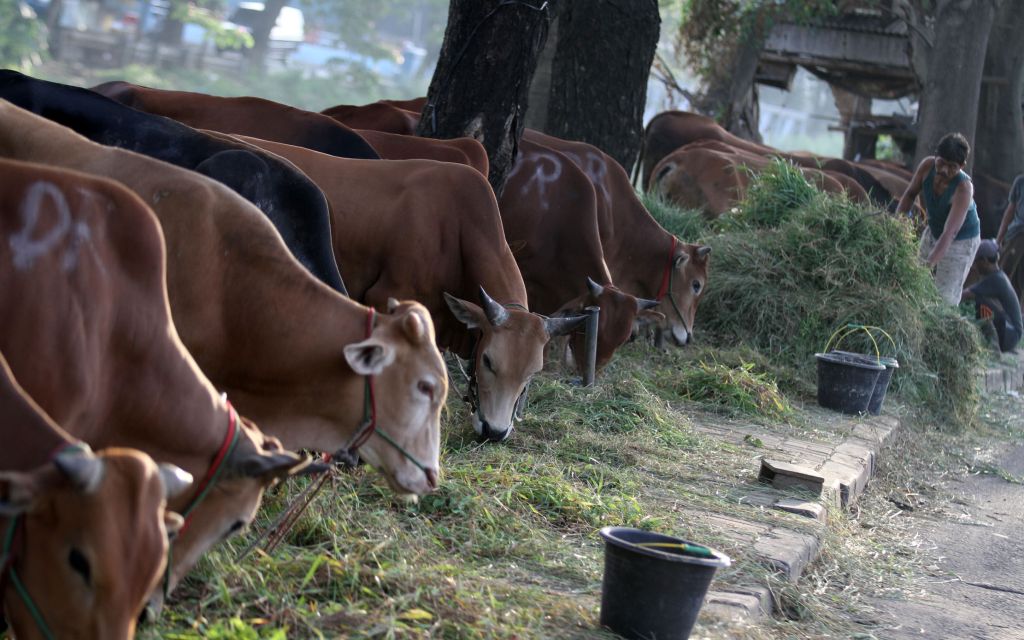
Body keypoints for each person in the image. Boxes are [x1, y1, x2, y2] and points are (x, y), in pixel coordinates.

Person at [896, 132, 982, 305]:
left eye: (951, 167)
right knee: (912, 283)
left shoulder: (963, 188)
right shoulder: (927, 166)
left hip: (960, 241)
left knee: (944, 298)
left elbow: (950, 233)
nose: (944, 170)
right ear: (935, 155)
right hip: (935, 229)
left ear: (962, 166)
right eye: (941, 162)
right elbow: (910, 195)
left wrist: (928, 266)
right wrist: (895, 227)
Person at [962, 239, 1022, 352]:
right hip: (1011, 334)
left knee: (979, 301)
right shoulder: (997, 276)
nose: (974, 266)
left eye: (975, 262)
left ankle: (992, 344)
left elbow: (964, 295)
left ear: (984, 261)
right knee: (979, 300)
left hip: (1009, 336)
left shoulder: (996, 280)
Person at [995, 172, 1024, 302]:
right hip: (1016, 235)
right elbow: (1010, 211)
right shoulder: (1020, 181)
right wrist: (999, 238)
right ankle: (998, 313)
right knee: (1004, 274)